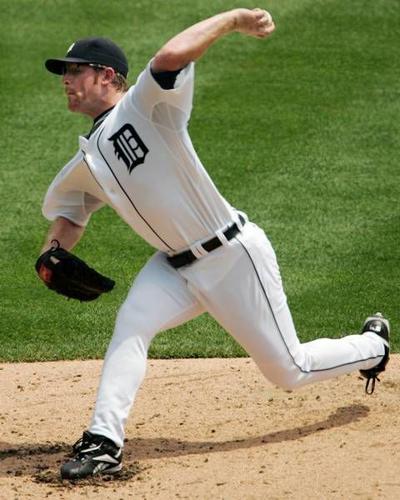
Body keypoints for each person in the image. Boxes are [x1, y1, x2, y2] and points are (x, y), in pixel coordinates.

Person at [38, 7, 390, 480]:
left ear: (106, 75)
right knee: (131, 327)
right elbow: (70, 210)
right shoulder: (89, 155)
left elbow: (167, 57)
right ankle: (104, 442)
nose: (66, 79)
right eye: (64, 73)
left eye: (74, 70)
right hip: (172, 268)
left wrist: (235, 19)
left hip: (231, 257)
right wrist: (51, 251)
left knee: (289, 370)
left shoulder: (145, 106)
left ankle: (372, 346)